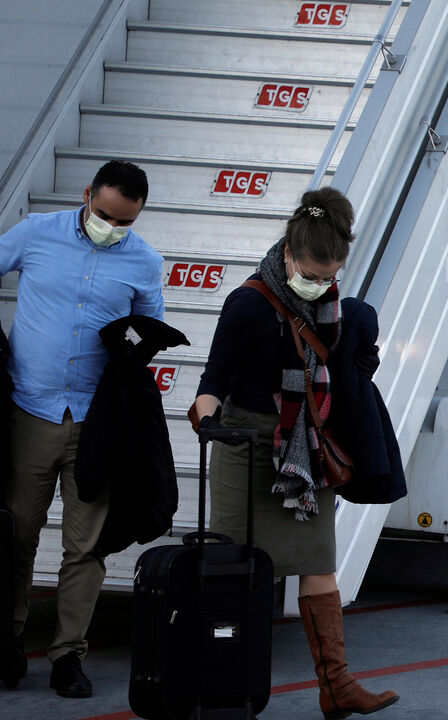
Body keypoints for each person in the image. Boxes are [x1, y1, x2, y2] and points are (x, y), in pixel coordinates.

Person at [191, 187, 398, 718]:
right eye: (309, 273)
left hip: (305, 444)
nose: (318, 283)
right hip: (246, 443)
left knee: (319, 563)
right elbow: (213, 381)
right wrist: (207, 421)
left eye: (328, 276)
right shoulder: (248, 303)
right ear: (287, 253)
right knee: (237, 567)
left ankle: (337, 685)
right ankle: (223, 683)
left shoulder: (334, 308)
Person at [0, 160, 164, 697]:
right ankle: (7, 645)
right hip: (31, 411)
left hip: (97, 425)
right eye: (105, 215)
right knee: (16, 535)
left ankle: (69, 655)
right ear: (87, 193)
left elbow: (149, 338)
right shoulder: (35, 234)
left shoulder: (143, 262)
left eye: (124, 223)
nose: (112, 229)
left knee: (86, 546)